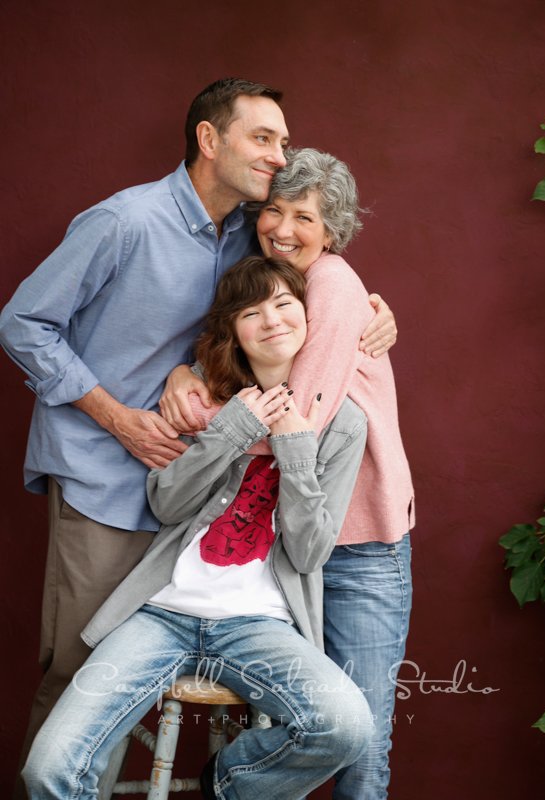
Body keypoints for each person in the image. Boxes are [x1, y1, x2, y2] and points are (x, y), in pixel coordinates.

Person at [0, 77, 394, 794]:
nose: (278, 156)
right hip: (106, 476)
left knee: (319, 713)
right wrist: (116, 414)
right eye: (263, 139)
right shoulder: (125, 222)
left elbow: (292, 290)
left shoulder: (249, 230)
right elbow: (23, 323)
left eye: (282, 141)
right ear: (210, 141)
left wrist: (373, 308)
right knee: (77, 676)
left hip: (197, 489)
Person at [22, 255, 374, 800]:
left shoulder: (344, 423)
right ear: (234, 330)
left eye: (285, 304)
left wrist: (296, 448)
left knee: (347, 725)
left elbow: (308, 554)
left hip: (261, 625)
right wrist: (232, 428)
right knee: (48, 767)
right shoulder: (205, 398)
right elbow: (166, 502)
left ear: (308, 317)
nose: (273, 320)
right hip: (161, 614)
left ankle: (226, 784)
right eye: (252, 313)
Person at [160, 148, 415, 800]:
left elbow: (302, 416)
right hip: (290, 540)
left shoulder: (330, 281)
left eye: (304, 215)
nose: (283, 226)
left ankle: (230, 779)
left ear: (330, 232)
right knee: (311, 715)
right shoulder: (276, 285)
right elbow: (228, 356)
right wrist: (184, 372)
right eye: (273, 208)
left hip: (357, 546)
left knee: (360, 734)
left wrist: (212, 429)